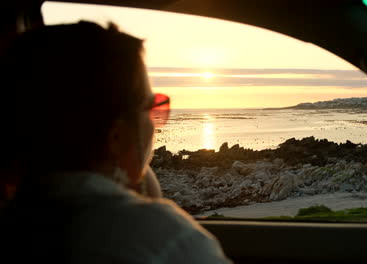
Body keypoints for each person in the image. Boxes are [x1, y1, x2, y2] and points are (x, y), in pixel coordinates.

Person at [0, 21, 231, 263]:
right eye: (154, 108)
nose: (157, 123)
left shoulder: (15, 225)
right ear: (117, 137)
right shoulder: (160, 235)